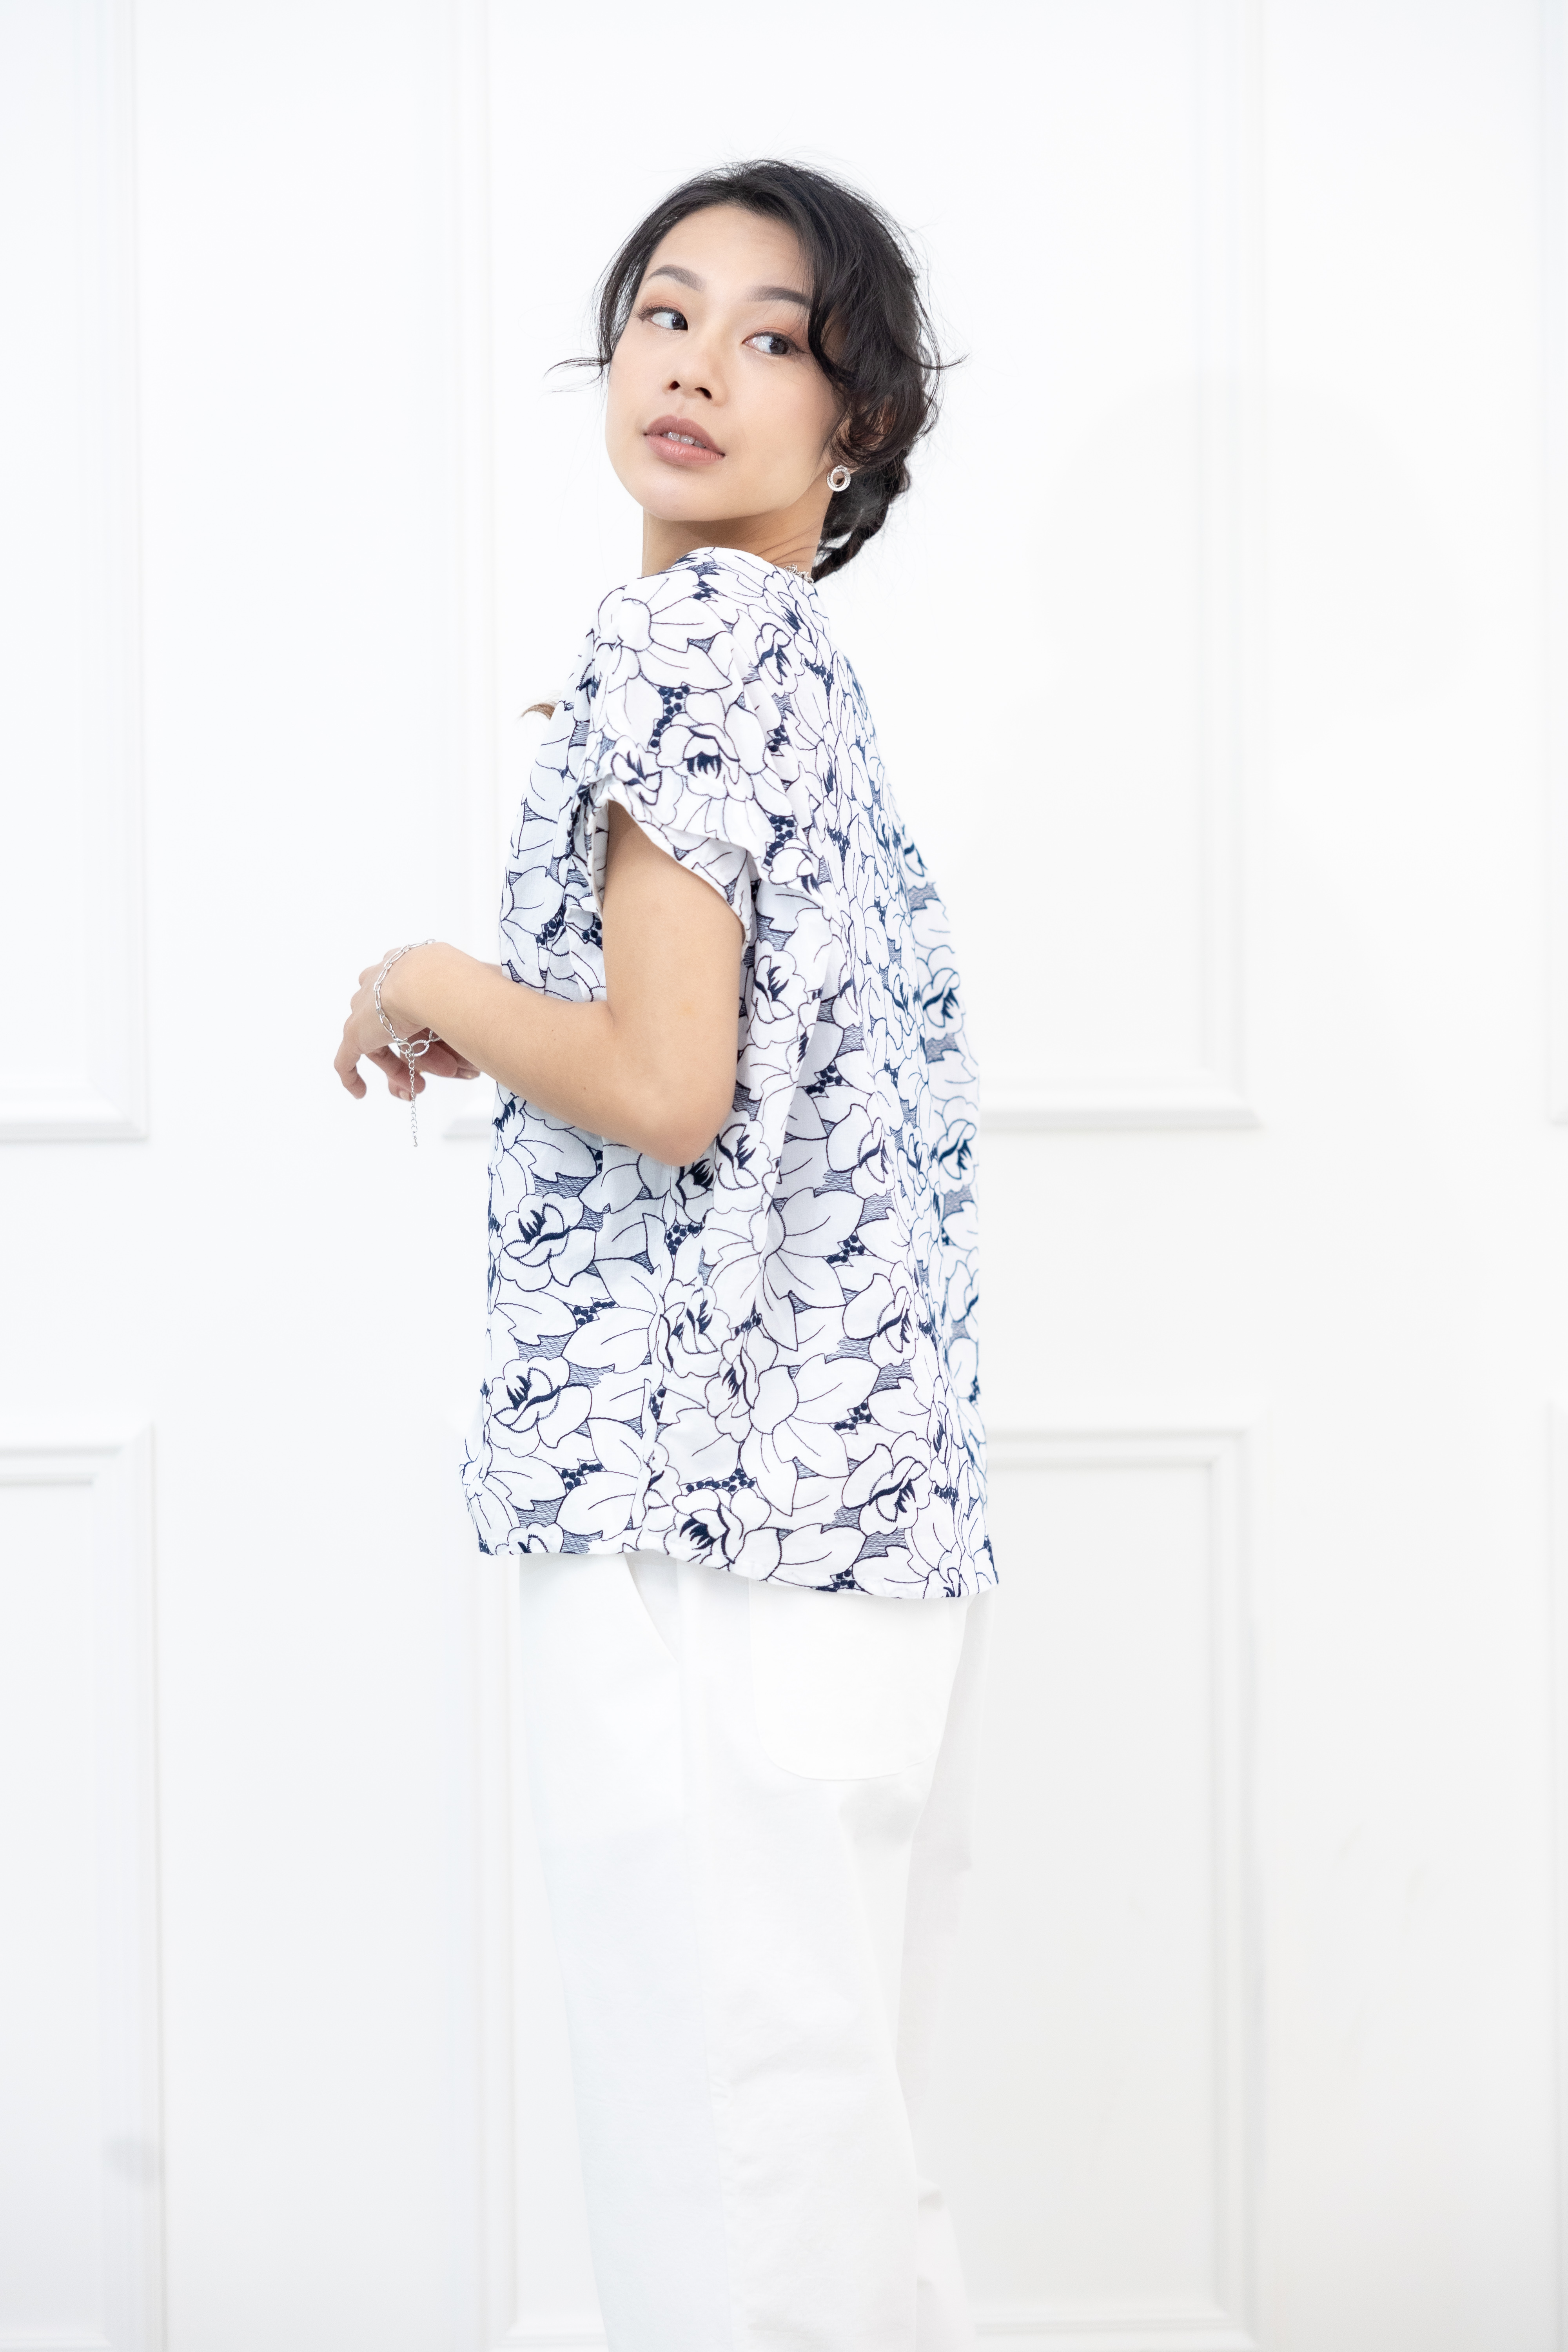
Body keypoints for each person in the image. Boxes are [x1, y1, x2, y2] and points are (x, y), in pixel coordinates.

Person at [334, 158, 997, 2352]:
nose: (698, 361)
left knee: (725, 2182)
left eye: (774, 336)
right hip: (860, 1525)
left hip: (695, 1514)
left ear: (858, 423)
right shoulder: (800, 671)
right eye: (663, 311)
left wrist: (430, 976)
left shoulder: (682, 639)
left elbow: (664, 1084)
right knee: (834, 2154)